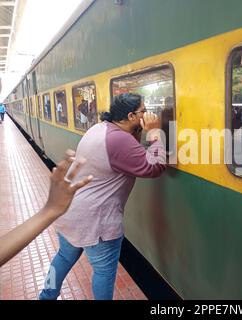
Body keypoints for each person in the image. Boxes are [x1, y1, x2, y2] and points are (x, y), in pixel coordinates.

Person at [39, 93, 167, 300]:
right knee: (104, 273)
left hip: (70, 210)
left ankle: (46, 295)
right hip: (97, 222)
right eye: (144, 111)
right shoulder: (118, 139)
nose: (148, 114)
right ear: (131, 115)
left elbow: (128, 150)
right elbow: (154, 167)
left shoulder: (100, 128)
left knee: (62, 258)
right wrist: (154, 132)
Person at [0, 150, 93, 267]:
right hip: (93, 228)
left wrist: (50, 210)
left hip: (69, 223)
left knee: (63, 257)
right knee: (103, 270)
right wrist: (50, 210)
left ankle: (50, 286)